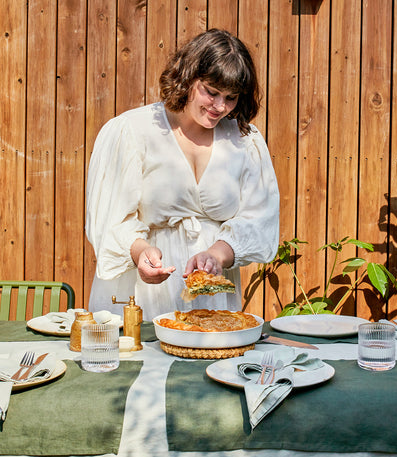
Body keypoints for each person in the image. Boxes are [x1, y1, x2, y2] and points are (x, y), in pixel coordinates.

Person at [86, 28, 280, 321]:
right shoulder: (133, 130)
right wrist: (140, 253)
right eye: (211, 92)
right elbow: (109, 219)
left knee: (208, 361)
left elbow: (258, 218)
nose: (220, 107)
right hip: (141, 291)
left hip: (211, 293)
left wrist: (217, 254)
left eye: (231, 97)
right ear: (188, 77)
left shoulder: (244, 139)